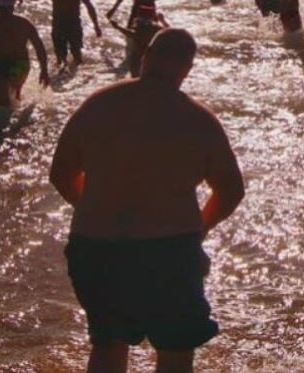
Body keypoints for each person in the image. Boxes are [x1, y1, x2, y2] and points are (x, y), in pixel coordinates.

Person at [49, 29, 244, 373]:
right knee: (175, 353)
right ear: (187, 69)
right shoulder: (198, 119)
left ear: (145, 57)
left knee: (108, 345)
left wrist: (95, 208)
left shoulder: (96, 105)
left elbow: (61, 174)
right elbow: (231, 190)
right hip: (169, 250)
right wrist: (202, 227)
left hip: (96, 247)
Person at [30, 0, 103, 69]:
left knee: (60, 56)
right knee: (77, 53)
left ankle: (60, 75)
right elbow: (89, 7)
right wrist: (96, 25)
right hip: (74, 24)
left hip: (58, 24)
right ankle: (78, 75)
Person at [106, 5, 167, 78]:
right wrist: (163, 21)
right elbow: (169, 31)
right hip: (151, 57)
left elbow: (133, 34)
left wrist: (118, 27)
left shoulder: (142, 27)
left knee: (136, 77)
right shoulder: (157, 28)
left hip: (138, 57)